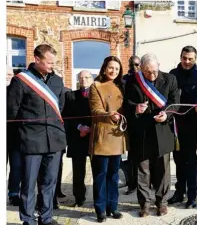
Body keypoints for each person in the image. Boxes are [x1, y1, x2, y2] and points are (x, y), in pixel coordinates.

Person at [7, 44, 66, 225]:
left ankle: (46, 218)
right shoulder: (21, 81)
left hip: (54, 141)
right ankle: (28, 219)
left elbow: (60, 108)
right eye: (49, 62)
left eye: (54, 63)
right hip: (31, 142)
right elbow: (11, 113)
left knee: (49, 183)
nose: (52, 66)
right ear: (37, 59)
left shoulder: (57, 81)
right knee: (28, 184)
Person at [123, 53, 180, 217]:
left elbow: (175, 102)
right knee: (143, 171)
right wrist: (136, 108)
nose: (152, 75)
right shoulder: (133, 81)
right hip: (142, 132)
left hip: (163, 130)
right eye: (148, 72)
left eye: (155, 71)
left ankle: (162, 202)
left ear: (159, 65)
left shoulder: (170, 79)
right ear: (141, 68)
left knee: (163, 170)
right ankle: (144, 204)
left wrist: (166, 114)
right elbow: (126, 103)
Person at [168, 46, 197, 208]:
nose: (186, 61)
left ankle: (192, 195)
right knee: (178, 159)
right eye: (184, 58)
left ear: (195, 59)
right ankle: (179, 192)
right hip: (175, 123)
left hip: (192, 123)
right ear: (180, 57)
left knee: (190, 160)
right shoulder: (172, 74)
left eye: (190, 59)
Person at [89, 56, 126, 222]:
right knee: (100, 175)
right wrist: (108, 114)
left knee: (113, 175)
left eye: (117, 69)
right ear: (104, 68)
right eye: (111, 67)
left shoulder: (121, 86)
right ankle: (100, 209)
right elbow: (95, 109)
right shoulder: (95, 86)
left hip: (117, 136)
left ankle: (113, 206)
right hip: (102, 137)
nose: (113, 71)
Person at [64, 70, 94, 207]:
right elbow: (66, 117)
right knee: (78, 171)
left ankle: (98, 199)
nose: (84, 80)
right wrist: (79, 127)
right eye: (81, 77)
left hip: (93, 137)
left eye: (87, 77)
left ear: (92, 79)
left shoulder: (96, 95)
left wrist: (90, 129)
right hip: (77, 137)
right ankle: (79, 198)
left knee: (97, 170)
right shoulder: (70, 96)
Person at [122, 55, 141, 195]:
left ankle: (145, 183)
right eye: (132, 64)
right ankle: (131, 184)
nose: (134, 67)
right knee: (131, 156)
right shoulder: (124, 80)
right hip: (129, 121)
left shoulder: (145, 79)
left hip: (143, 121)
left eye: (137, 64)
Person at [7, 65, 22, 206]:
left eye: (10, 73)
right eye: (5, 73)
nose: (8, 76)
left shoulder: (16, 89)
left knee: (16, 167)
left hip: (14, 136)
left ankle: (13, 193)